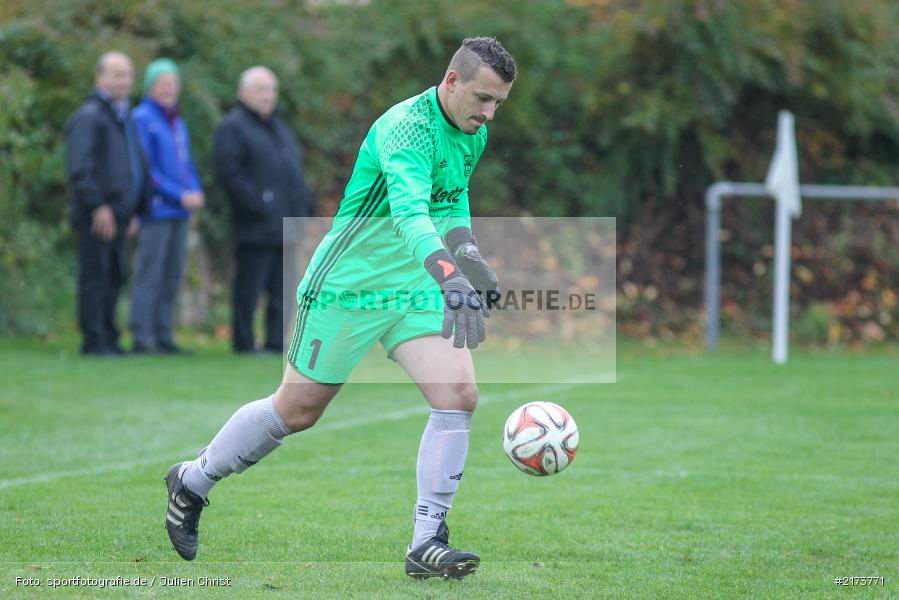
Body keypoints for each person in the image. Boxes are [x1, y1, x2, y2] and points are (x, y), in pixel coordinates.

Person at [164, 37, 516, 580]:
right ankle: (193, 480)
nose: (489, 114)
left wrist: (467, 252)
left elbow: (450, 200)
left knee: (459, 396)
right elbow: (408, 212)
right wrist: (448, 273)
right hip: (347, 286)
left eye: (498, 103)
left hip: (410, 286)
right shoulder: (405, 129)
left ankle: (426, 542)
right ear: (451, 80)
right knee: (297, 410)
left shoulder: (473, 131)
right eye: (484, 99)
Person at [213, 66, 313, 354]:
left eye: (271, 90)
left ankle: (275, 341)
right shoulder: (232, 127)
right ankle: (244, 343)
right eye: (261, 89)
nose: (267, 96)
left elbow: (293, 173)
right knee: (249, 288)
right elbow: (230, 175)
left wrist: (302, 207)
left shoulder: (278, 127)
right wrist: (260, 205)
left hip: (288, 224)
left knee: (283, 290)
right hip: (255, 226)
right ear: (243, 93)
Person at [65, 51, 149, 356]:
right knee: (95, 276)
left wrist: (137, 210)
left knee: (115, 276)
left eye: (127, 74)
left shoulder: (124, 116)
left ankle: (109, 337)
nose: (123, 81)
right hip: (96, 214)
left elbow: (133, 166)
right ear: (99, 77)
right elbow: (79, 168)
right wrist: (98, 206)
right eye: (116, 74)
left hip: (122, 215)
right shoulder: (90, 117)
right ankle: (93, 339)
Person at [129, 58, 204, 354]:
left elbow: (186, 164)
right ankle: (141, 335)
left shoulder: (177, 120)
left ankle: (163, 334)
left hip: (180, 211)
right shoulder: (142, 118)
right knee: (150, 273)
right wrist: (178, 194)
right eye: (163, 83)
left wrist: (195, 189)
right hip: (156, 210)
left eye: (174, 83)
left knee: (172, 274)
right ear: (150, 87)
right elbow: (147, 170)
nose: (169, 89)